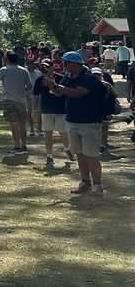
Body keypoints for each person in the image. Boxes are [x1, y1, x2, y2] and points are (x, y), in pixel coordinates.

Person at [46, 51, 106, 195]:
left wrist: (56, 86)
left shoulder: (88, 78)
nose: (64, 66)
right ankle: (85, 182)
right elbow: (59, 93)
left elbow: (77, 93)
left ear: (74, 64)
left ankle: (97, 185)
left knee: (91, 155)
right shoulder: (68, 77)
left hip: (90, 122)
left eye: (66, 63)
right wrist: (52, 86)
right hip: (73, 121)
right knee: (79, 154)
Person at [36, 59, 74, 168]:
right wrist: (34, 110)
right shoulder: (40, 79)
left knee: (63, 132)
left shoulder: (61, 78)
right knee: (48, 133)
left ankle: (67, 149)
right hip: (46, 109)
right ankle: (49, 156)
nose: (45, 69)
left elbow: (62, 93)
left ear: (53, 67)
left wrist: (52, 85)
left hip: (60, 109)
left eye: (48, 66)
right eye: (43, 67)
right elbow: (36, 94)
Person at [0, 51, 33, 153]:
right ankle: (24, 145)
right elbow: (29, 85)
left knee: (14, 123)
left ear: (7, 59)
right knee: (22, 123)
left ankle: (17, 145)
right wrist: (22, 90)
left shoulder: (3, 70)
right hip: (21, 100)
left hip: (8, 100)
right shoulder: (24, 70)